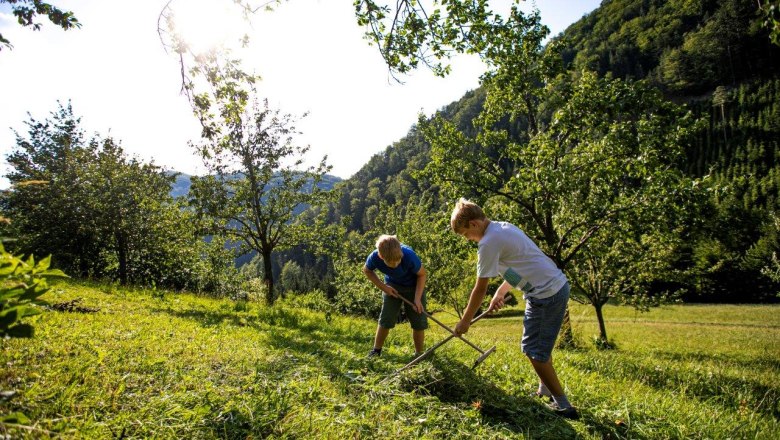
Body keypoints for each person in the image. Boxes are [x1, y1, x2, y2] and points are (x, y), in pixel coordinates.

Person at [450, 198, 579, 420]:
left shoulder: (488, 242)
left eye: (465, 234)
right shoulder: (503, 227)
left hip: (546, 295)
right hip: (549, 289)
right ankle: (545, 390)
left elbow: (480, 288)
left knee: (534, 351)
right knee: (538, 346)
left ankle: (564, 406)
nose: (468, 239)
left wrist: (465, 321)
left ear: (473, 224)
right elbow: (518, 266)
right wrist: (500, 293)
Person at [363, 234, 428, 359]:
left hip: (414, 287)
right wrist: (384, 287)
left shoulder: (409, 256)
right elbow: (367, 270)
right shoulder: (374, 257)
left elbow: (422, 275)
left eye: (398, 260)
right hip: (392, 286)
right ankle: (376, 351)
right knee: (386, 318)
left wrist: (417, 299)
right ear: (381, 257)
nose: (396, 264)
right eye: (391, 263)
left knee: (418, 320)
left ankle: (419, 354)